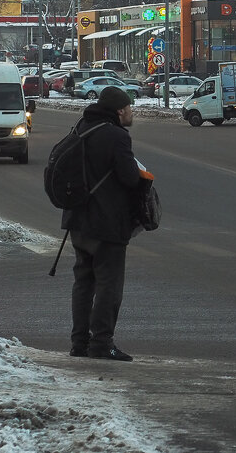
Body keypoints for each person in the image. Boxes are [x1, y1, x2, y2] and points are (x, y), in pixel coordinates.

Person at [62, 86, 143, 362]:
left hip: (77, 222)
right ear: (120, 111)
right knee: (109, 285)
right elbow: (130, 178)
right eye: (130, 108)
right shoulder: (117, 136)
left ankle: (79, 343)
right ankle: (102, 342)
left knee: (83, 282)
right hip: (107, 223)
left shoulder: (81, 127)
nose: (132, 113)